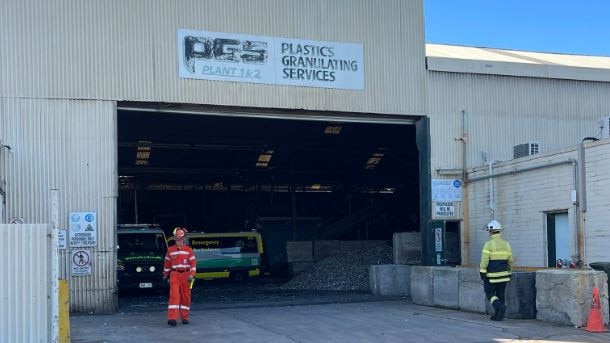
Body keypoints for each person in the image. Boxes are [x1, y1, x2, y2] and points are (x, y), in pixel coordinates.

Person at [479, 219, 513, 321]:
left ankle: (499, 306)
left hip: (491, 276)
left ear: (491, 231)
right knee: (500, 294)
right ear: (499, 231)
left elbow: (484, 261)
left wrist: (482, 272)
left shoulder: (488, 244)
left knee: (489, 293)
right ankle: (498, 316)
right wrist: (509, 272)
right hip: (504, 275)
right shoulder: (506, 244)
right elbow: (510, 261)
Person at [163, 227, 197, 326]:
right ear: (175, 239)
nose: (179, 241)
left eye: (180, 239)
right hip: (174, 275)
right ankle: (172, 318)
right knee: (174, 296)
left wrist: (192, 275)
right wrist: (165, 275)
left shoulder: (189, 250)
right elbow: (167, 264)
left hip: (186, 275)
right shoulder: (170, 250)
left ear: (184, 239)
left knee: (185, 297)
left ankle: (184, 317)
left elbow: (193, 264)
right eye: (177, 239)